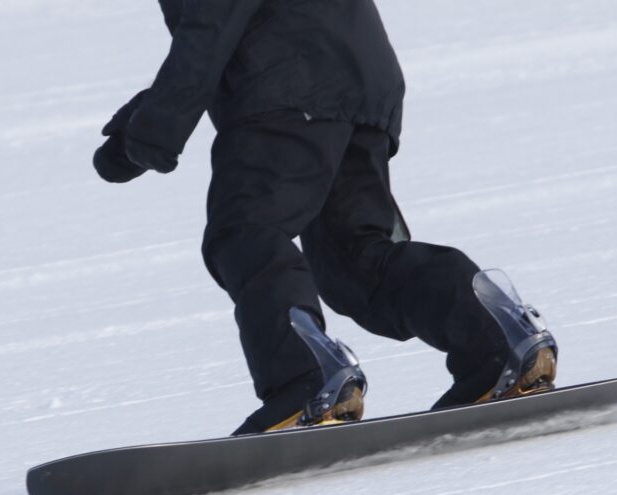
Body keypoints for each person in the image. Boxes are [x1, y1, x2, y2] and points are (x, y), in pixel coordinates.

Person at [92, 0, 558, 435]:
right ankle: (494, 342)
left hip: (287, 87)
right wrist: (144, 120)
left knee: (246, 232)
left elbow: (212, 22)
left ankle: (305, 381)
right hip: (357, 80)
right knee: (355, 259)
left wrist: (153, 131)